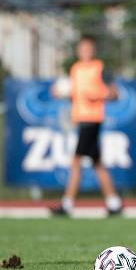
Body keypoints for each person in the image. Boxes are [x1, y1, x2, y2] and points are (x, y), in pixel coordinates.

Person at [52, 35, 123, 217]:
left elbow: (115, 94)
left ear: (93, 50)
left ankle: (67, 203)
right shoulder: (75, 69)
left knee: (76, 161)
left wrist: (99, 95)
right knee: (98, 163)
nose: (85, 51)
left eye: (88, 48)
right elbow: (75, 95)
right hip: (81, 120)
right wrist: (61, 93)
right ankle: (114, 202)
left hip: (92, 120)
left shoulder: (100, 68)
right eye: (82, 48)